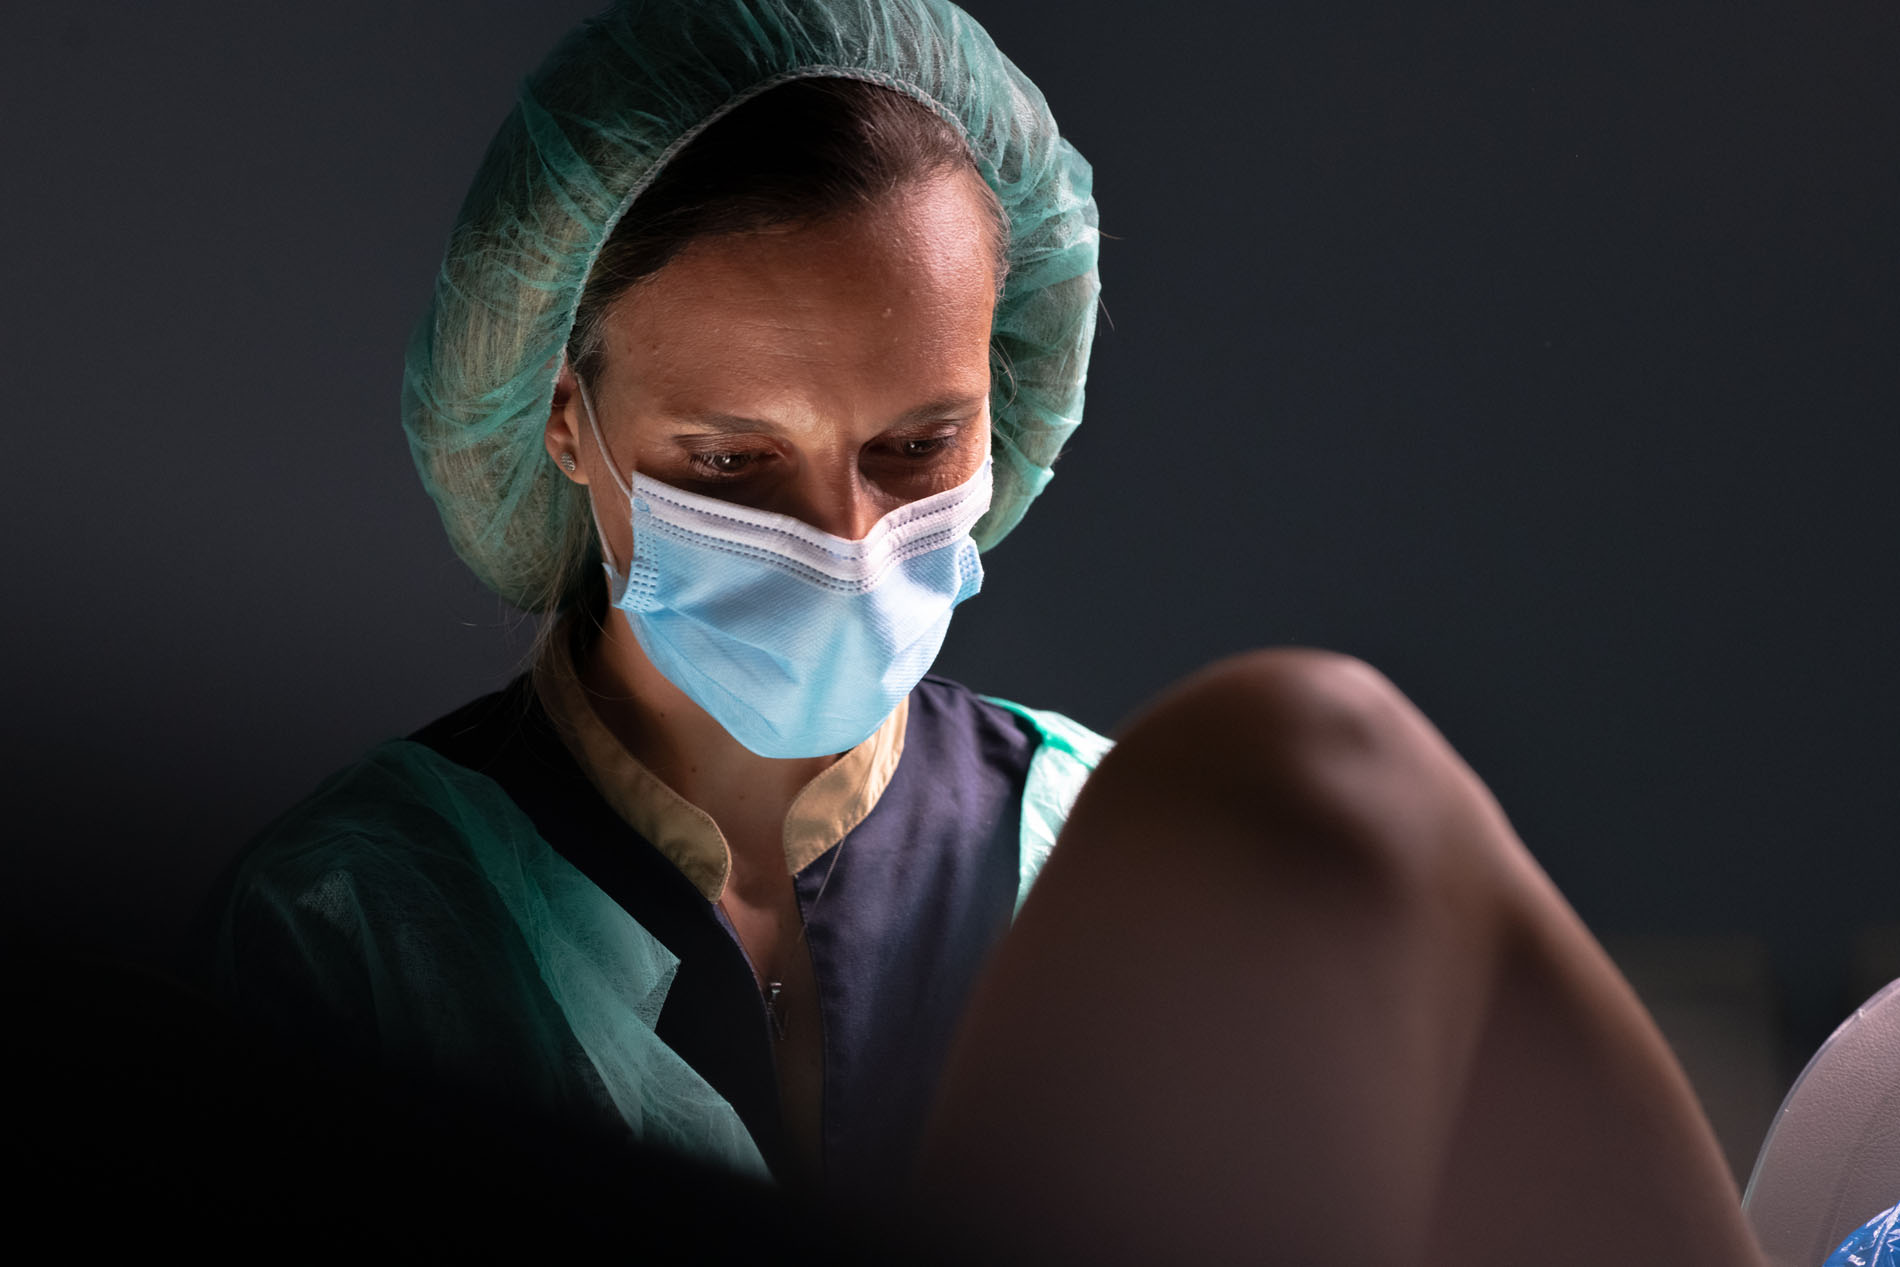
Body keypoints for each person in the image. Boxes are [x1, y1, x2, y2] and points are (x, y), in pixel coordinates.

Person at [211, 1, 1766, 1261]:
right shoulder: (358, 933)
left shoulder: (1117, 862)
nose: (844, 539)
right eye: (733, 464)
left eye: (916, 447)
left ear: (1000, 406)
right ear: (565, 420)